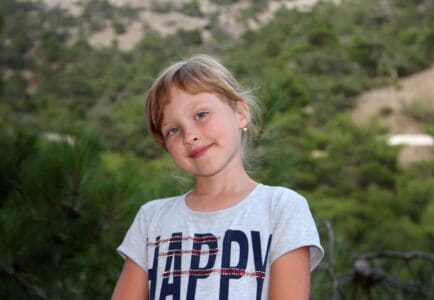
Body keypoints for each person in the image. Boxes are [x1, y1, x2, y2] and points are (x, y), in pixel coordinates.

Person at [112, 54, 323, 300]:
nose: (189, 135)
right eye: (173, 130)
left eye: (201, 114)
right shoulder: (151, 219)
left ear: (240, 113)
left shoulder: (282, 208)